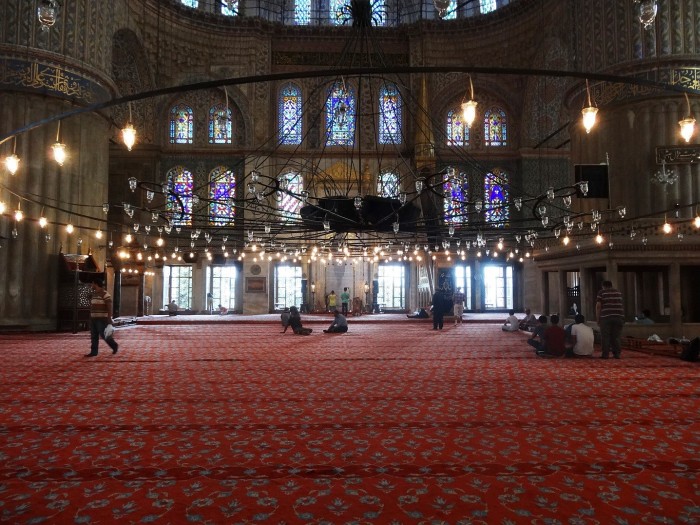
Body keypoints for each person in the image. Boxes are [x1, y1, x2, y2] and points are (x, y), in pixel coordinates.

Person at [86, 277, 118, 357]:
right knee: (94, 336)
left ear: (96, 284)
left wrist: (109, 318)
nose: (91, 285)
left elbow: (109, 306)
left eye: (92, 283)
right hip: (93, 318)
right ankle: (94, 352)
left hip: (102, 319)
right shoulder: (94, 294)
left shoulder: (105, 294)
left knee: (104, 335)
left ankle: (114, 345)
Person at [596, 280, 625, 359]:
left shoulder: (601, 292)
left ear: (603, 286)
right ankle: (617, 354)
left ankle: (605, 354)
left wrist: (598, 318)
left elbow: (598, 306)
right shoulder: (618, 292)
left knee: (605, 336)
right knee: (616, 336)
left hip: (606, 317)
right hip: (619, 316)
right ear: (611, 285)